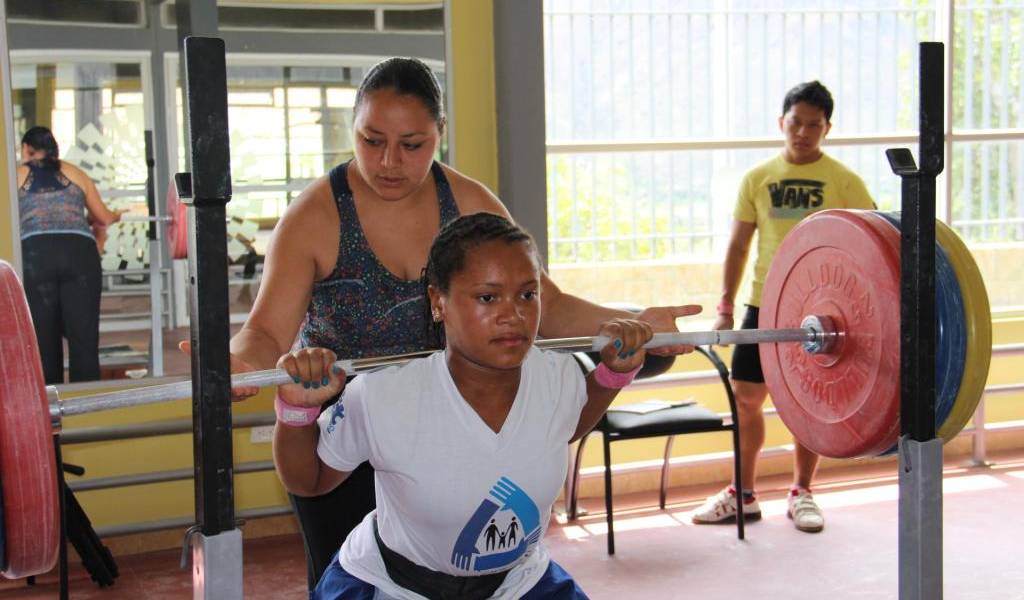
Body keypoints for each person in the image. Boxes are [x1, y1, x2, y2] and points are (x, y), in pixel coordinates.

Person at [225, 57, 699, 591]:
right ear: (352, 128)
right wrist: (240, 363)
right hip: (346, 421)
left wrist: (636, 324)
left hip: (445, 425)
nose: (389, 161)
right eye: (371, 140)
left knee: (468, 566)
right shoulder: (315, 215)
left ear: (441, 134)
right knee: (349, 574)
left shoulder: (470, 203)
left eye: (412, 144)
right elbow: (267, 332)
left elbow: (545, 302)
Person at [273, 212, 654, 599]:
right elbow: (309, 481)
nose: (513, 315)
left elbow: (564, 425)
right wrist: (296, 412)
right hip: (395, 585)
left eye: (527, 295)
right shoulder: (383, 396)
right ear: (438, 301)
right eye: (488, 297)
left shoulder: (558, 375)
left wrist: (612, 375)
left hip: (518, 583)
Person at [691, 81, 875, 533]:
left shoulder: (845, 182)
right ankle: (743, 494)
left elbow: (870, 242)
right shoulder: (758, 178)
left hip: (818, 311)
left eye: (814, 125)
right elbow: (738, 246)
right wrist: (725, 306)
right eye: (796, 123)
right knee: (745, 396)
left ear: (827, 129)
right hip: (763, 302)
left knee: (809, 402)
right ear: (781, 123)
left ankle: (802, 492)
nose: (803, 132)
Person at [17, 125, 122, 384]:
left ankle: (49, 403)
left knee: (42, 339)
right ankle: (86, 404)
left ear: (27, 149)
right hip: (79, 255)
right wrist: (116, 214)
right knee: (84, 337)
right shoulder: (75, 172)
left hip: (35, 256)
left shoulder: (17, 174)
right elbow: (103, 217)